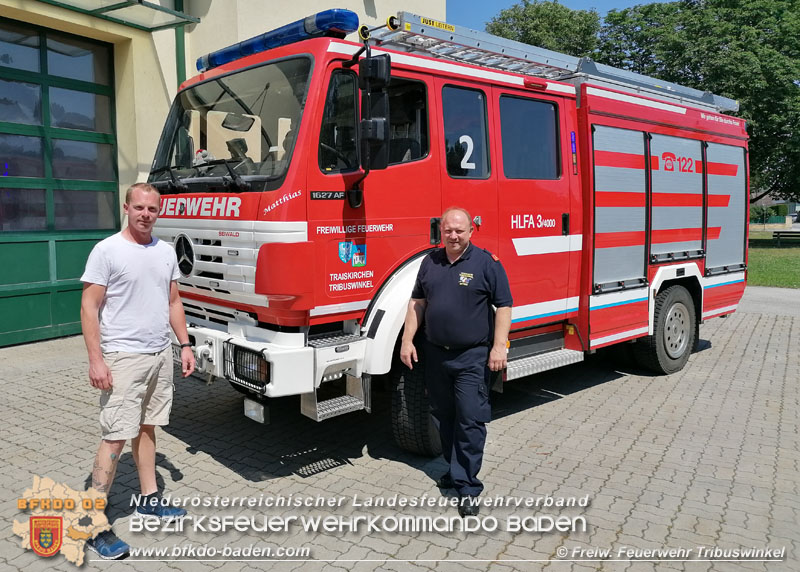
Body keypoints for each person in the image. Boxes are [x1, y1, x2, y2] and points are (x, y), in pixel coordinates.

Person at [80, 183, 196, 559]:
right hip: (123, 358)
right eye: (139, 207)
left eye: (152, 208)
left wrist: (185, 344)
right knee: (115, 435)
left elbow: (173, 301)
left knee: (147, 427)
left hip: (159, 353)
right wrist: (96, 359)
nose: (146, 214)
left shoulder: (164, 252)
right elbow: (89, 306)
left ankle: (148, 500)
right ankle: (91, 524)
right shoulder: (108, 250)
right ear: (127, 207)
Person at [400, 207, 512, 517]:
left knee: (470, 418)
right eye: (448, 230)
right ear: (441, 231)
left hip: (472, 356)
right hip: (436, 354)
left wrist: (499, 348)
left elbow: (503, 306)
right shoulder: (430, 262)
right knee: (443, 416)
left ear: (471, 231)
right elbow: (417, 303)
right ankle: (454, 469)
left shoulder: (486, 263)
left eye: (459, 231)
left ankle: (468, 486)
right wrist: (407, 340)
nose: (453, 235)